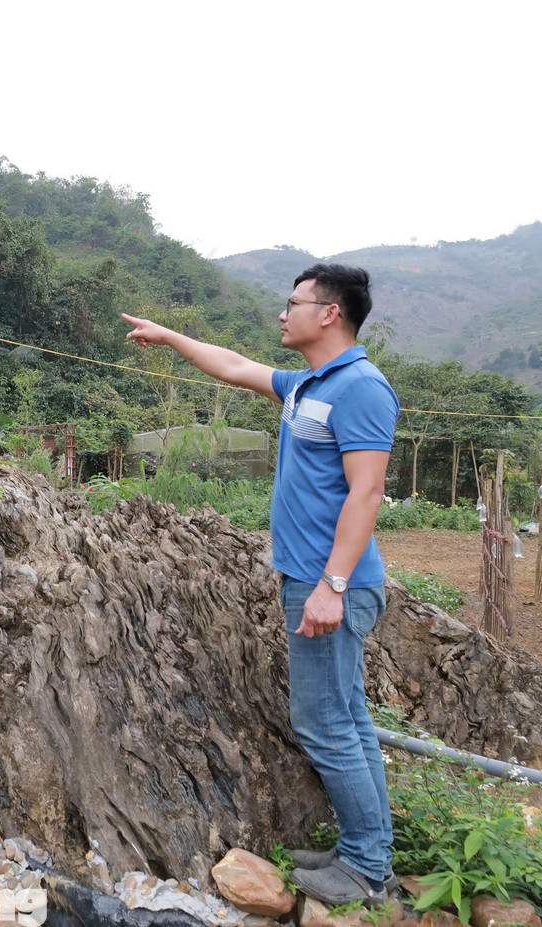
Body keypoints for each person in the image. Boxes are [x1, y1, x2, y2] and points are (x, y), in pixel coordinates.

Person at [121, 263, 398, 906]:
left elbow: (368, 490)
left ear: (329, 313)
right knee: (348, 719)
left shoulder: (361, 387)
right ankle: (366, 846)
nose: (283, 312)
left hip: (329, 584)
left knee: (324, 721)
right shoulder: (309, 384)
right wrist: (169, 338)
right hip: (311, 578)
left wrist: (331, 584)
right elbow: (233, 366)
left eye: (293, 302)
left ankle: (366, 866)